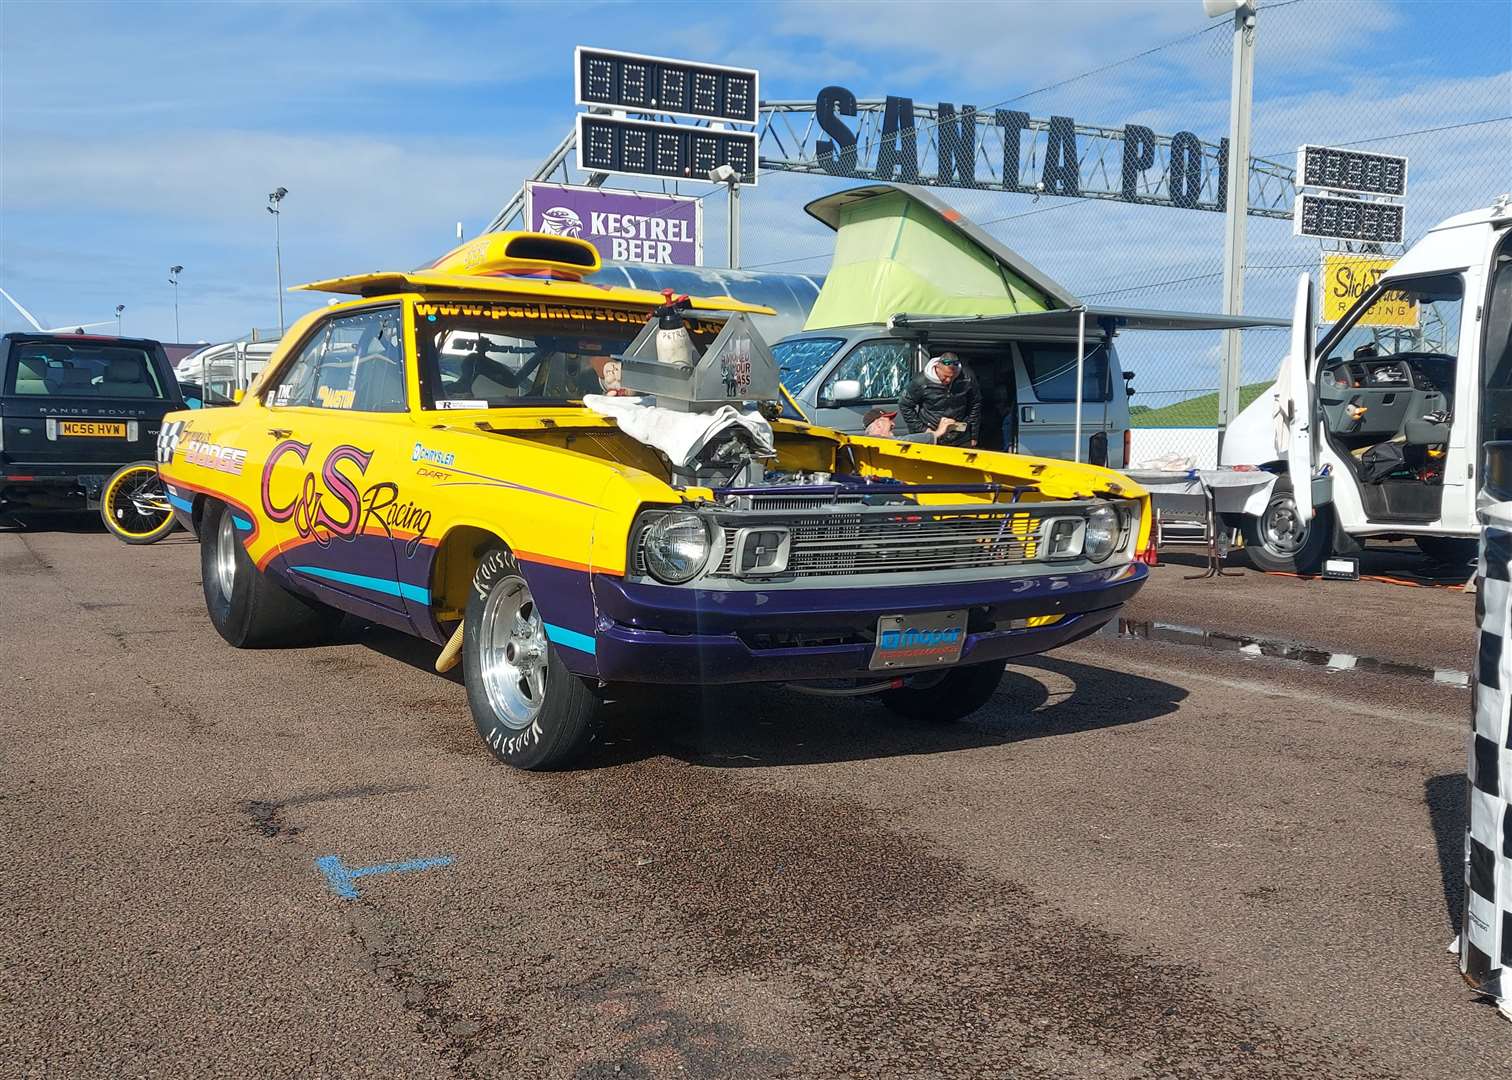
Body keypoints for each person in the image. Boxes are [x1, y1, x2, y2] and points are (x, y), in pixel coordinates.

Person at [898, 352, 980, 447]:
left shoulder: (967, 377)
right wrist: (923, 430)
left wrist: (973, 435)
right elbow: (904, 404)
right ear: (937, 367)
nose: (948, 380)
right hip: (933, 434)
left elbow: (975, 403)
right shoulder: (921, 382)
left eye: (952, 376)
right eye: (945, 376)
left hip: (961, 436)